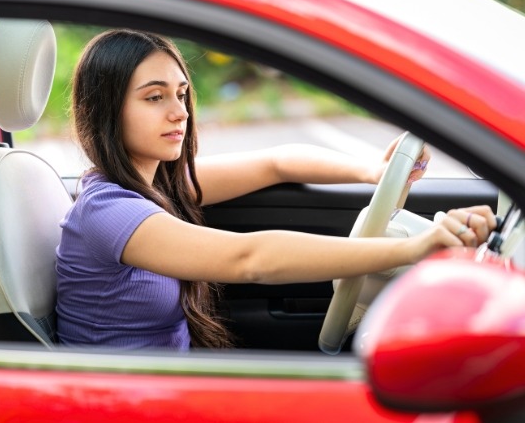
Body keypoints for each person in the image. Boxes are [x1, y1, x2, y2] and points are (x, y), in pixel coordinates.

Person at [55, 29, 497, 351]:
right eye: (155, 97)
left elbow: (276, 162)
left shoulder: (159, 184)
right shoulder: (107, 211)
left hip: (165, 387)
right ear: (106, 111)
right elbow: (250, 259)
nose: (180, 112)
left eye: (183, 93)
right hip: (124, 401)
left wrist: (371, 171)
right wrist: (415, 248)